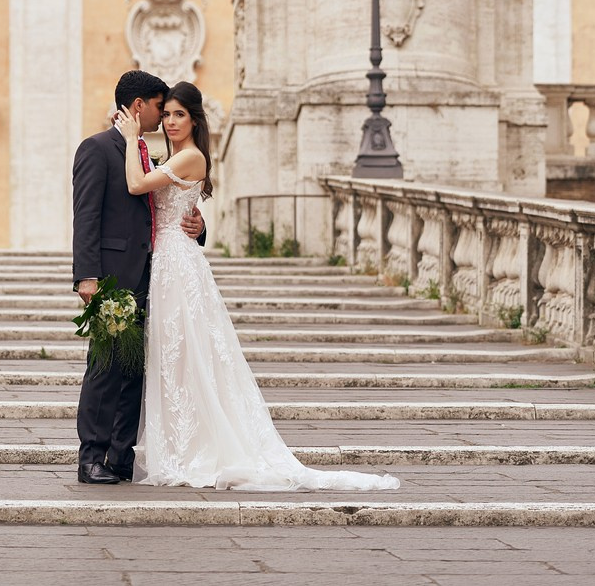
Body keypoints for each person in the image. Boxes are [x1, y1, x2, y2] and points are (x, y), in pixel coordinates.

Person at [116, 82, 400, 492]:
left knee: (187, 352)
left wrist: (129, 138)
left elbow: (136, 185)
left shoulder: (190, 157)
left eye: (179, 114)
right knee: (177, 356)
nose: (170, 121)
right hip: (168, 262)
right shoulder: (176, 157)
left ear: (195, 119)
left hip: (178, 267)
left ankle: (194, 449)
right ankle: (182, 443)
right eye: (167, 114)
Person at [71, 70, 205, 484]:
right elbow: (86, 216)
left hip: (157, 273)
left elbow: (168, 205)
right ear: (138, 106)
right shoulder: (96, 148)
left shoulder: (145, 151)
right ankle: (91, 456)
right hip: (113, 275)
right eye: (159, 108)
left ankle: (120, 455)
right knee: (106, 363)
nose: (164, 117)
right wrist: (87, 276)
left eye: (173, 112)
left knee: (136, 367)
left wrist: (199, 227)